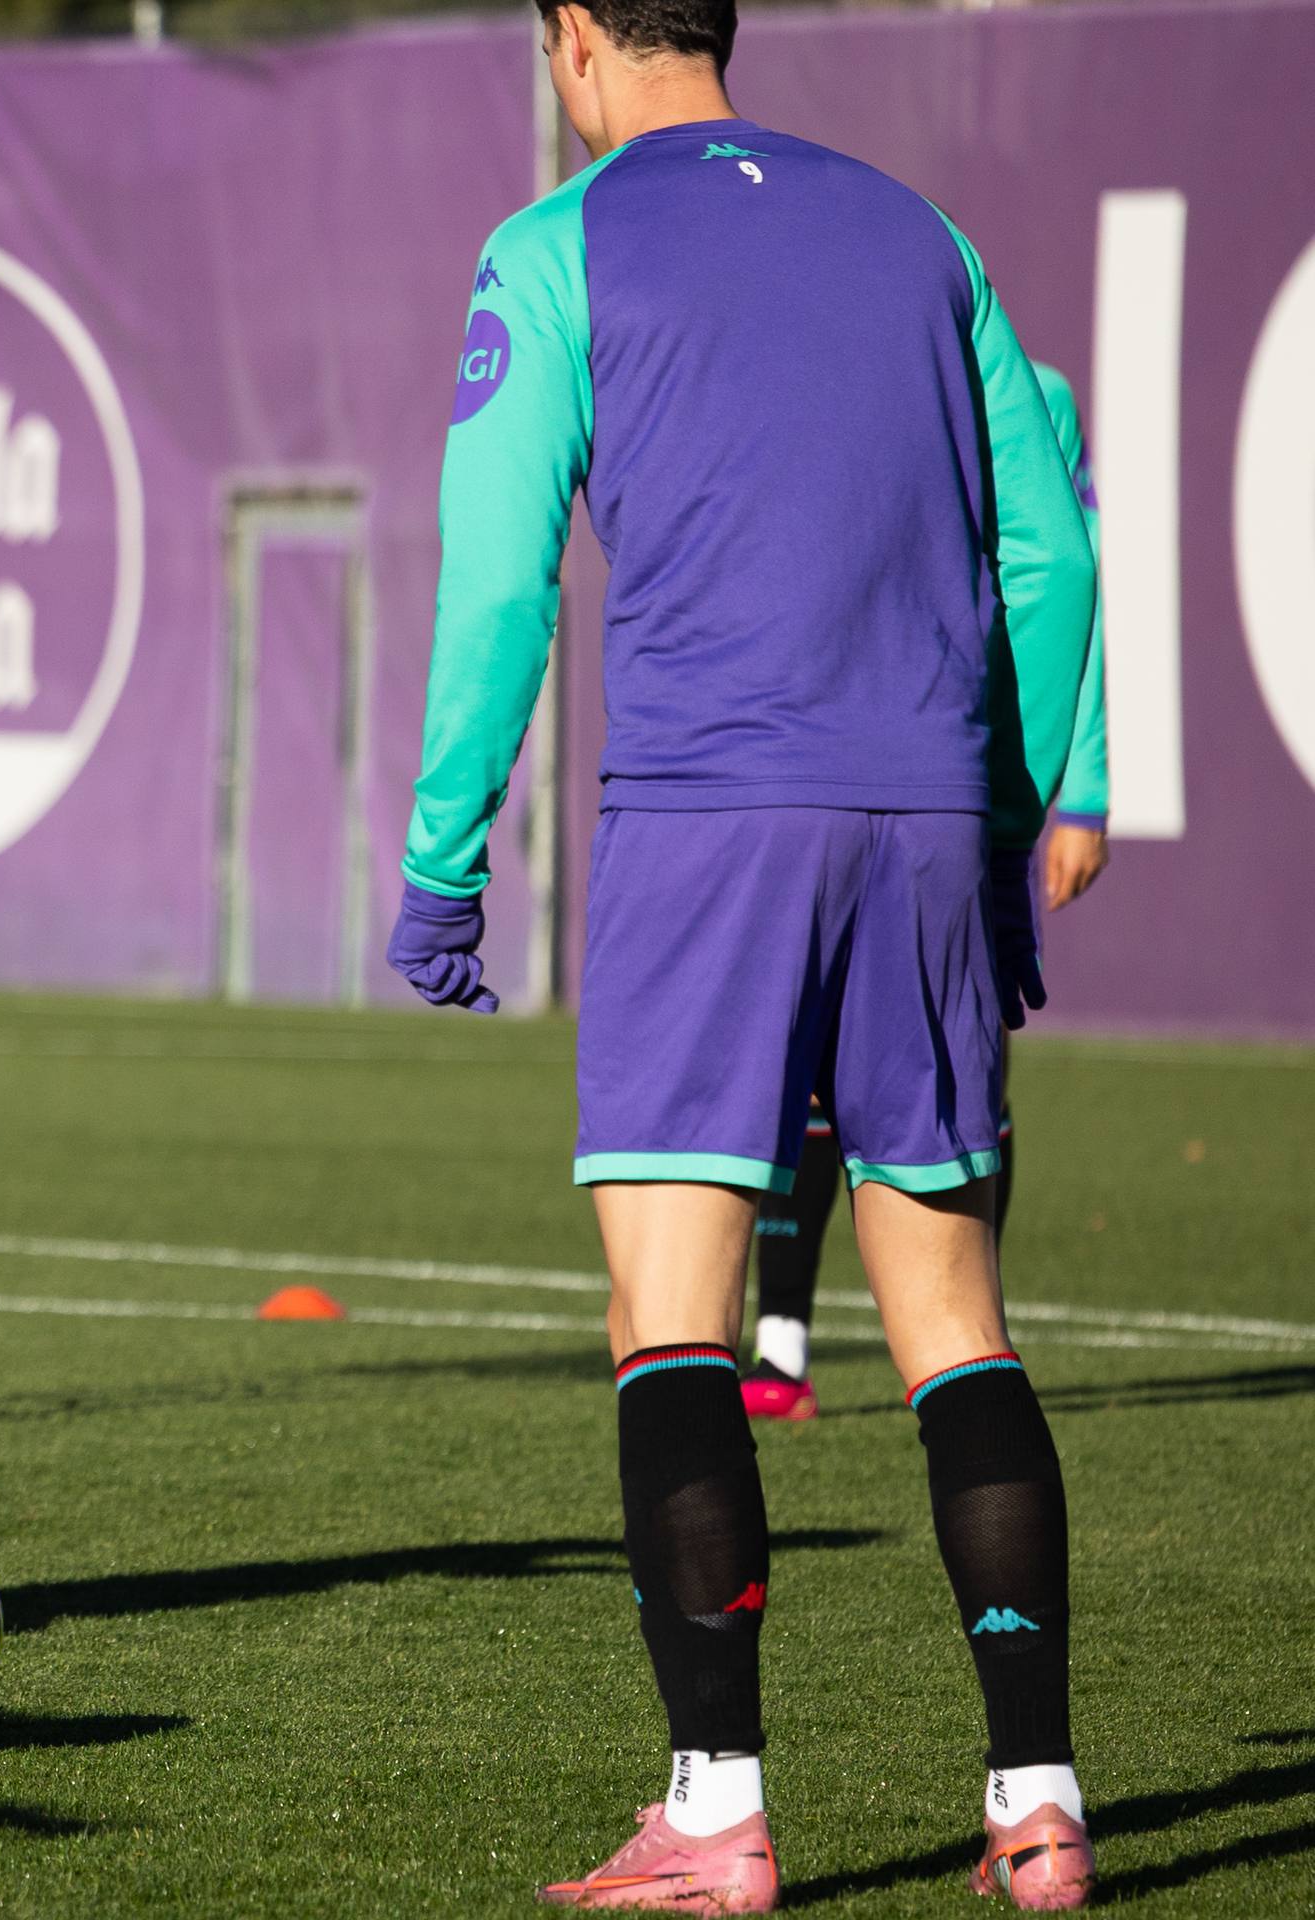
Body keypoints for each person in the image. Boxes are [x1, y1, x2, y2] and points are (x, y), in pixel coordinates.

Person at [381, 2, 1098, 1908]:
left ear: (575, 37)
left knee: (670, 1325)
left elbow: (497, 584)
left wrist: (441, 860)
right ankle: (1035, 1801)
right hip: (923, 817)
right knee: (952, 1325)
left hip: (707, 825)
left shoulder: (554, 245)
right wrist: (996, 825)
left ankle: (711, 1814)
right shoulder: (917, 232)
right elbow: (1048, 559)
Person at [742, 360, 1108, 1424]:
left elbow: (1073, 587)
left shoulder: (1034, 396)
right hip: (843, 754)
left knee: (966, 1065)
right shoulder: (835, 373)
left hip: (966, 781)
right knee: (811, 1059)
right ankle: (779, 1342)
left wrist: (1078, 792)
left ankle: (966, 1324)